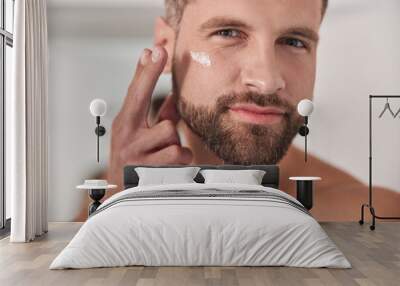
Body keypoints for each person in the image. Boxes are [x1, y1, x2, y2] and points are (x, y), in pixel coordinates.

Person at [76, 0, 400, 221]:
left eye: (294, 41)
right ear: (165, 45)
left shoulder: (373, 213)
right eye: (228, 33)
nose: (267, 80)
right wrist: (115, 200)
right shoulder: (105, 197)